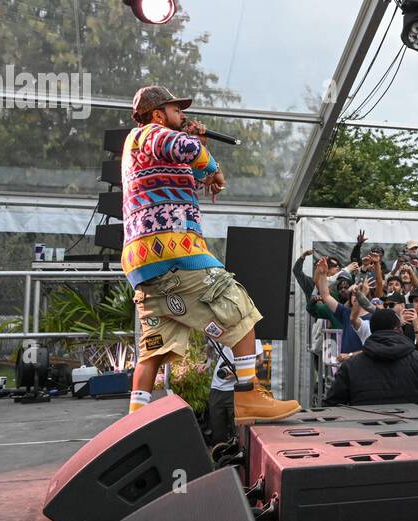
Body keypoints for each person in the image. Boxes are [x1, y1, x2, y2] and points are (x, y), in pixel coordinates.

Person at [122, 85, 298, 421]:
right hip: (173, 253)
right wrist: (200, 149)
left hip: (146, 265)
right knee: (239, 308)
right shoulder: (150, 133)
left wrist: (209, 168)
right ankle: (247, 397)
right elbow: (185, 149)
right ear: (158, 114)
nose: (183, 116)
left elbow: (202, 170)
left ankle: (134, 419)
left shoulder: (142, 147)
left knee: (153, 351)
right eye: (177, 111)